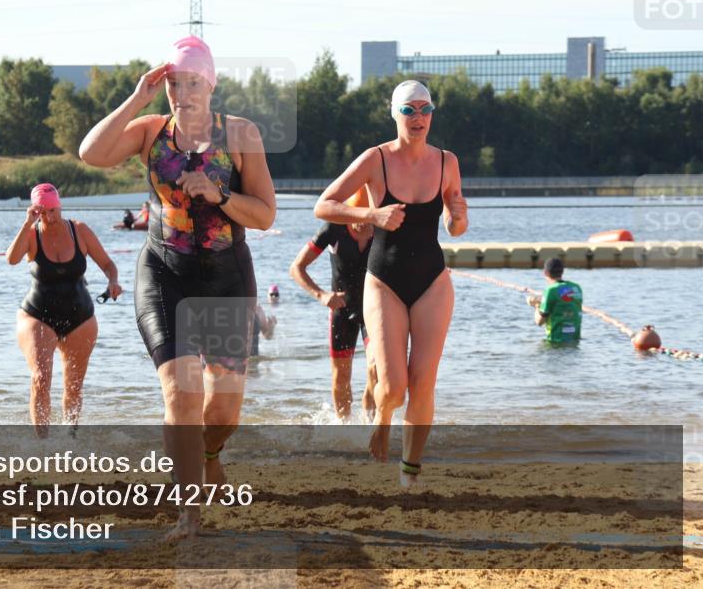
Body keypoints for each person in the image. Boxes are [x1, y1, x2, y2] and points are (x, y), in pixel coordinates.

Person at [78, 35, 276, 539]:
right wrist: (135, 99)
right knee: (179, 392)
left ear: (209, 85)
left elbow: (267, 214)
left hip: (227, 276)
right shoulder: (149, 131)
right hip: (165, 272)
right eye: (171, 83)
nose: (180, 92)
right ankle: (188, 513)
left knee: (225, 408)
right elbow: (90, 153)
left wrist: (219, 192)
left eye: (190, 82)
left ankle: (210, 451)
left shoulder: (240, 135)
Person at [313, 80, 468, 486]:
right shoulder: (375, 159)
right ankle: (382, 417)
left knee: (424, 382)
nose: (418, 118)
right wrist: (373, 215)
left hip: (433, 280)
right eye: (408, 110)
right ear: (394, 114)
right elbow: (323, 205)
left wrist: (458, 216)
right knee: (394, 386)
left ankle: (409, 474)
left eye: (425, 109)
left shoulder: (447, 161)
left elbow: (454, 224)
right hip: (383, 281)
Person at [6, 183, 122, 434]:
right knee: (41, 377)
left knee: (74, 386)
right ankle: (43, 445)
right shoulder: (32, 233)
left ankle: (70, 440)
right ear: (35, 211)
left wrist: (113, 281)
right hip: (38, 315)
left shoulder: (79, 230)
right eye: (42, 212)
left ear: (60, 206)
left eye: (53, 211)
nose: (49, 217)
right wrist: (27, 223)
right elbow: (12, 259)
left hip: (79, 316)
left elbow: (108, 263)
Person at [290, 188, 377, 421]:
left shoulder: (381, 230)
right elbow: (297, 267)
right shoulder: (333, 229)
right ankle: (344, 426)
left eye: (368, 220)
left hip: (373, 309)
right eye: (357, 219)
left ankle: (370, 425)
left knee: (376, 369)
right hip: (341, 310)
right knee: (341, 375)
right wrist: (321, 295)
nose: (363, 226)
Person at [527, 257, 583, 343]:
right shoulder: (576, 287)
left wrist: (536, 305)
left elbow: (539, 322)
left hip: (556, 341)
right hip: (575, 341)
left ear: (545, 273)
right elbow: (564, 304)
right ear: (562, 272)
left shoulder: (550, 290)